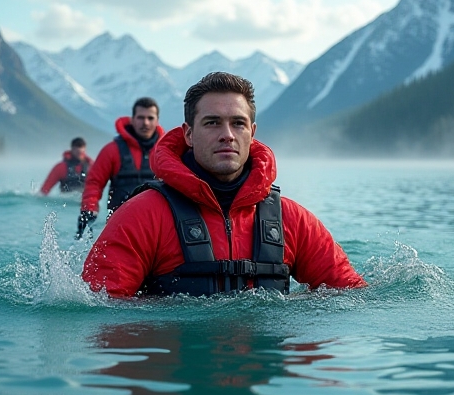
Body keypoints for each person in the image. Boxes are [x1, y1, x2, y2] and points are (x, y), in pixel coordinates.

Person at [81, 72, 367, 297]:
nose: (227, 135)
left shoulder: (293, 220)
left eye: (238, 123)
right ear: (188, 134)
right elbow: (98, 314)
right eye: (213, 123)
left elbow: (351, 296)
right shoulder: (141, 216)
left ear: (252, 133)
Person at [75, 97, 164, 239]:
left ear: (157, 120)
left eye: (150, 118)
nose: (145, 123)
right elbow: (94, 182)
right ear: (133, 119)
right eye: (140, 117)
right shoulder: (112, 150)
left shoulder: (166, 152)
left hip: (157, 224)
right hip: (120, 224)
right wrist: (89, 209)